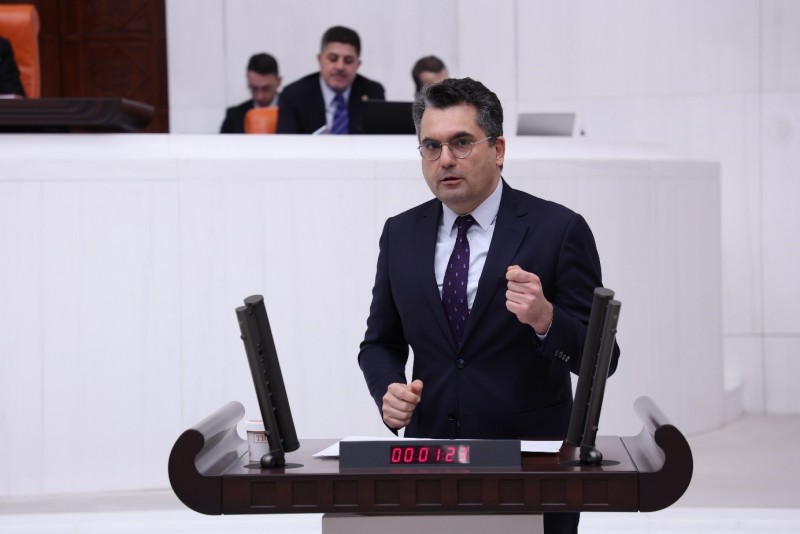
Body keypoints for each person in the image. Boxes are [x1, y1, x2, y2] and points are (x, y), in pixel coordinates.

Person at [357, 78, 620, 534]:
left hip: (533, 466)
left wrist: (546, 319)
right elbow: (379, 343)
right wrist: (389, 390)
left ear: (497, 149)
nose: (445, 159)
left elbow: (604, 360)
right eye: (431, 146)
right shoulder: (400, 233)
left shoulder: (558, 230)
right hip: (430, 462)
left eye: (461, 142)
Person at [277, 25, 384, 134]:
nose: (340, 67)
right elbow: (287, 142)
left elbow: (380, 139)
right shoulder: (294, 95)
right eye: (333, 58)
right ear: (320, 59)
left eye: (348, 60)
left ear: (358, 64)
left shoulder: (373, 93)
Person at [220, 53, 282, 133]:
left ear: (279, 81)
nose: (260, 97)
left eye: (266, 89)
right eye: (254, 88)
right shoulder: (234, 117)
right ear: (248, 80)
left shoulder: (293, 113)